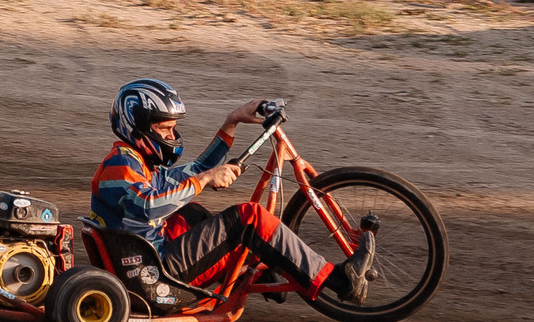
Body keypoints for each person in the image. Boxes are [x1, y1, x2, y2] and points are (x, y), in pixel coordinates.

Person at [91, 79, 373, 305]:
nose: (171, 137)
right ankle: (340, 281)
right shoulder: (119, 167)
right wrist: (204, 180)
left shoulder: (137, 162)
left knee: (191, 213)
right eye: (165, 129)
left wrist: (232, 121)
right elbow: (147, 207)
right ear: (138, 127)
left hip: (150, 260)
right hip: (150, 279)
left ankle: (256, 269)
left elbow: (197, 168)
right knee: (248, 217)